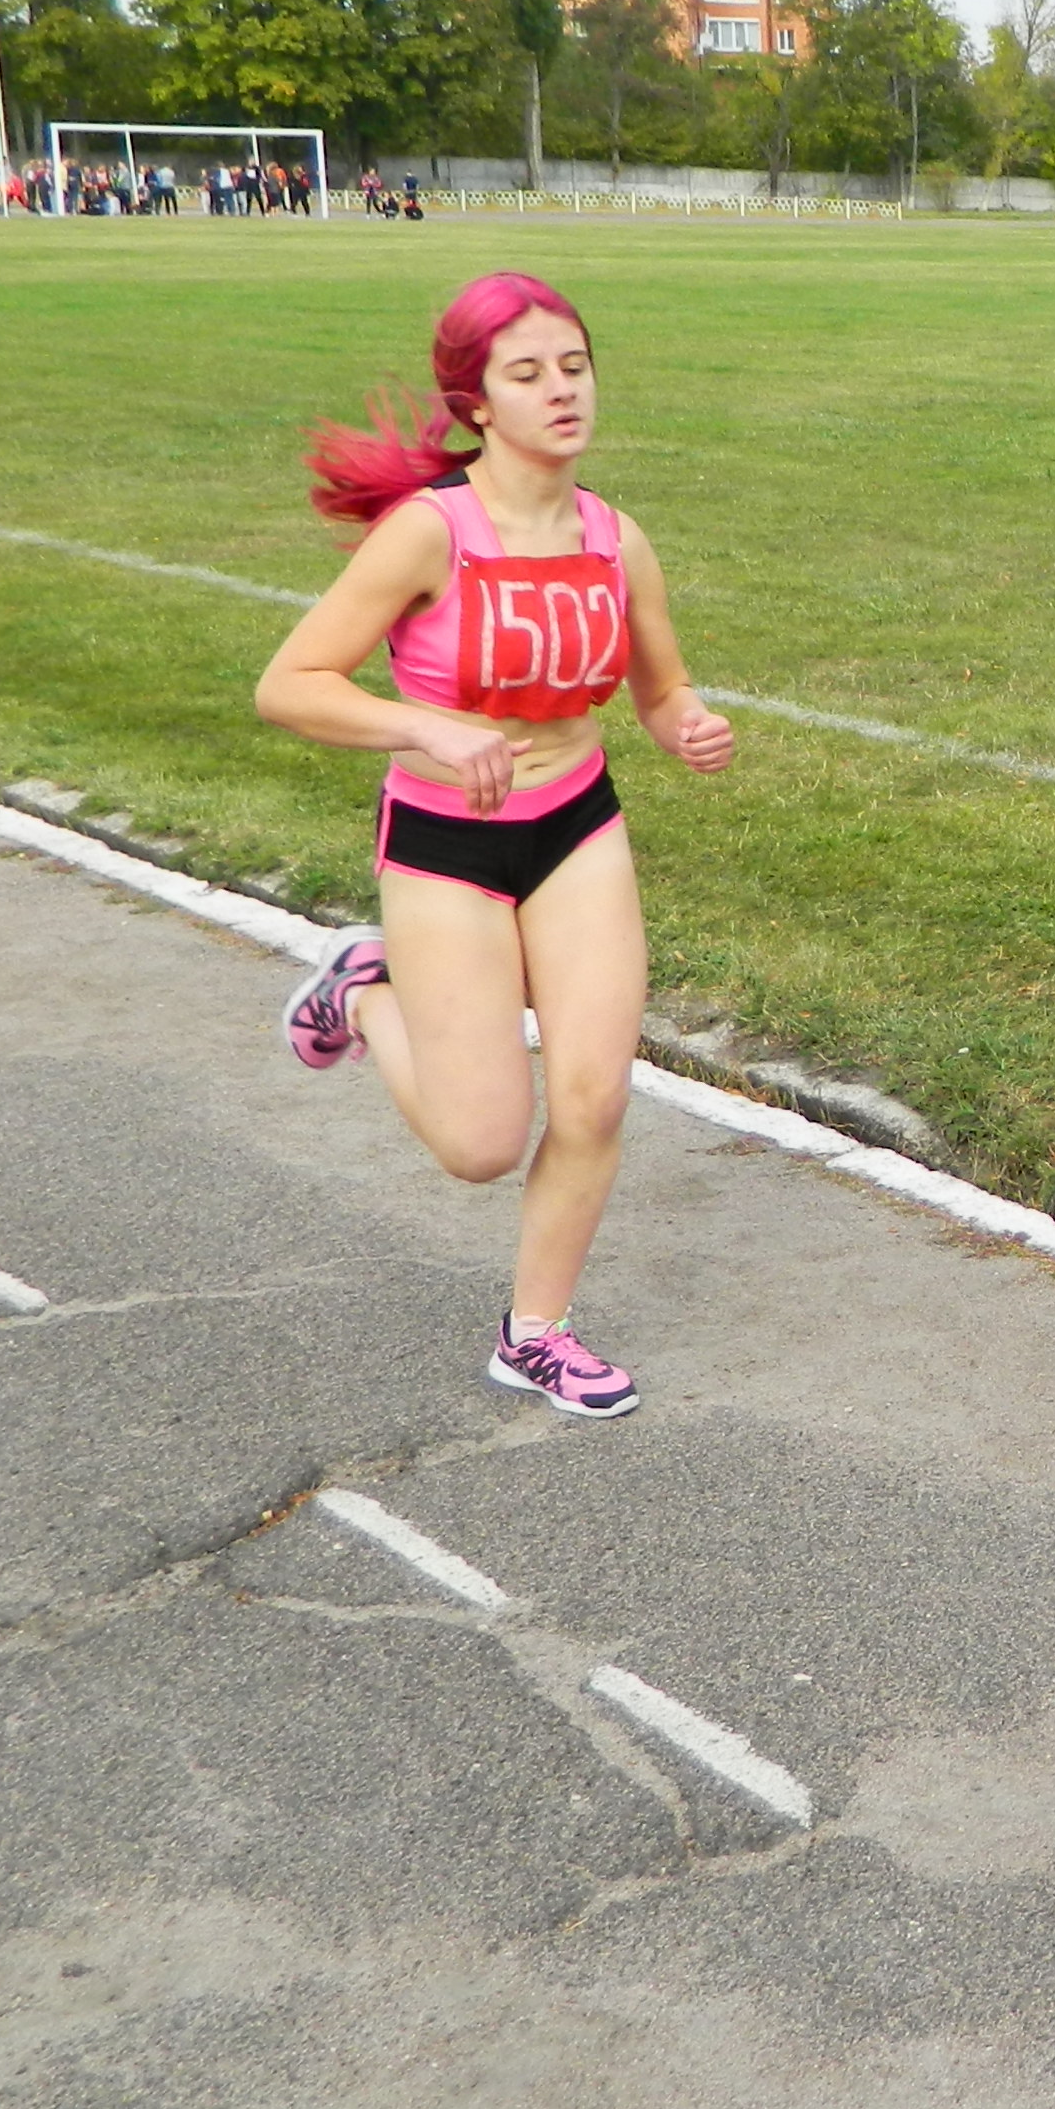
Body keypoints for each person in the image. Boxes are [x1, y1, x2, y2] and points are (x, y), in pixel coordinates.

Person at [256, 273, 738, 1415]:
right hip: (443, 841)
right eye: (528, 374)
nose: (561, 390)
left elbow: (659, 690)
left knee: (593, 1098)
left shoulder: (617, 539)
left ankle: (536, 1333)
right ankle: (362, 991)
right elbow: (289, 686)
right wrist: (418, 722)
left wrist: (687, 726)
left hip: (575, 825)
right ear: (477, 403)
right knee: (480, 1144)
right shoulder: (431, 534)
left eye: (573, 366)